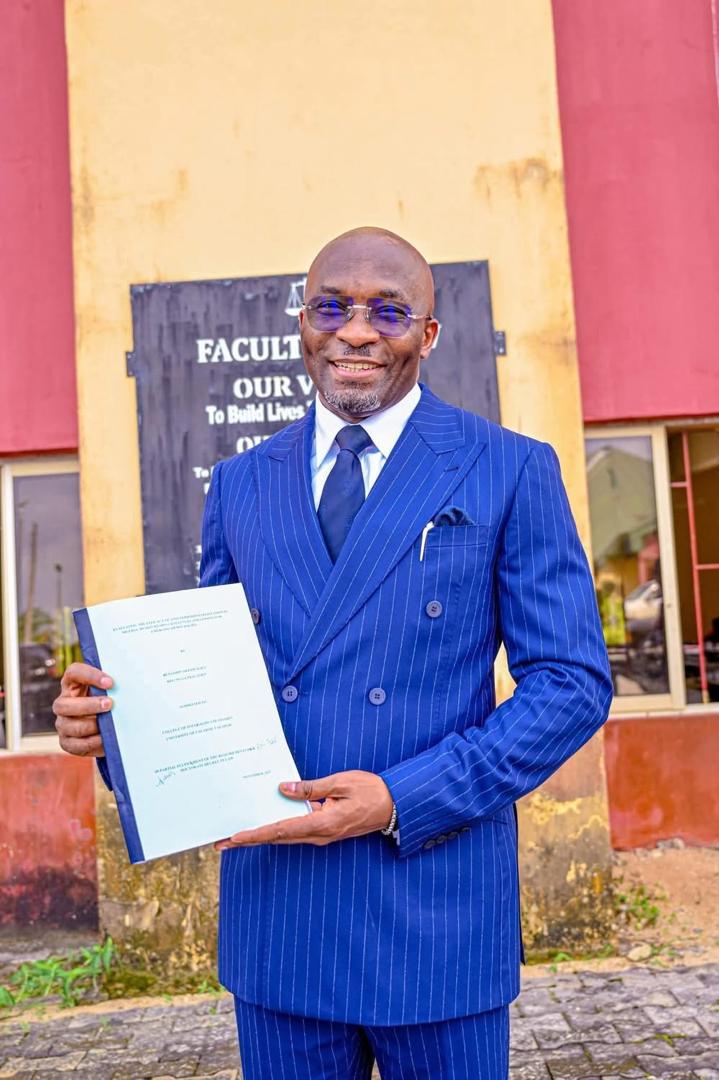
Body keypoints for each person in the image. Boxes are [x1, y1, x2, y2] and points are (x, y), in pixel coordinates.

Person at [54, 226, 613, 1079]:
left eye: (388, 311)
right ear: (302, 324)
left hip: (436, 903)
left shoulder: (506, 469)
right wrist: (118, 731)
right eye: (332, 307)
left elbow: (570, 685)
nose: (356, 331)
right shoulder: (241, 482)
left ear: (426, 335)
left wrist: (400, 796)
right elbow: (219, 674)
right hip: (282, 917)